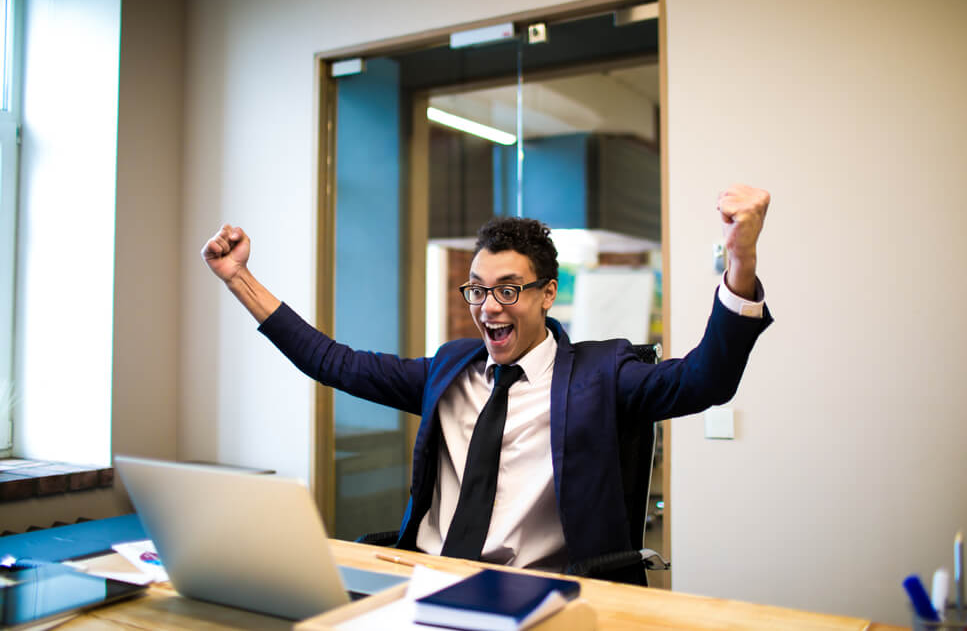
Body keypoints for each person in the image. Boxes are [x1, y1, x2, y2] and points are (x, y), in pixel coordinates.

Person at [202, 183, 772, 581]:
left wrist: (740, 264)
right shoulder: (450, 369)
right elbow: (335, 362)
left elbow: (705, 380)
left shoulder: (603, 375)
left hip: (535, 596)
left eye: (509, 288)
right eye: (477, 289)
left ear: (547, 294)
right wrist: (239, 279)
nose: (488, 307)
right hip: (427, 580)